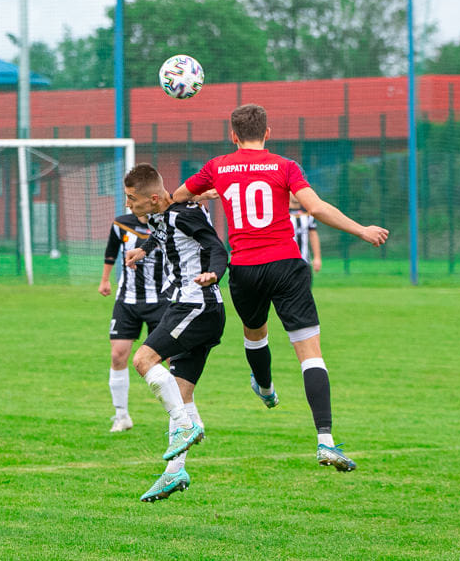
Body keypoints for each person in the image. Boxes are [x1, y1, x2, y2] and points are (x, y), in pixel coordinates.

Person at [172, 103, 389, 472]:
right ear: (268, 133)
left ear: (233, 135)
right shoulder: (284, 166)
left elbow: (177, 196)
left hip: (243, 268)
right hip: (286, 264)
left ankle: (266, 389)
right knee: (310, 352)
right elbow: (315, 208)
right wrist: (361, 230)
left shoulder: (217, 167)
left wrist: (204, 194)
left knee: (255, 334)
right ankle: (325, 441)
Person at [122, 163, 228, 502]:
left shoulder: (185, 215)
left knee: (142, 359)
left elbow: (216, 247)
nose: (128, 206)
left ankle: (186, 425)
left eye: (131, 199)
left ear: (152, 198)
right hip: (193, 307)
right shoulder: (159, 214)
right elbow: (161, 230)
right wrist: (145, 249)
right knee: (181, 393)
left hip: (196, 305)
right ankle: (174, 472)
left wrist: (213, 273)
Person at [99, 213, 169, 432]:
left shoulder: (166, 223)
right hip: (127, 300)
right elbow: (111, 252)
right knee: (117, 354)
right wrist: (104, 280)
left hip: (160, 300)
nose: (131, 203)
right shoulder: (121, 224)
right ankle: (121, 416)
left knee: (170, 358)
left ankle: (180, 414)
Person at [289, 193, 322, 273]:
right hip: (286, 262)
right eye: (292, 191)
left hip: (304, 261)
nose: (296, 194)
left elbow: (313, 235)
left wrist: (317, 257)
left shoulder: (308, 212)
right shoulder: (281, 212)